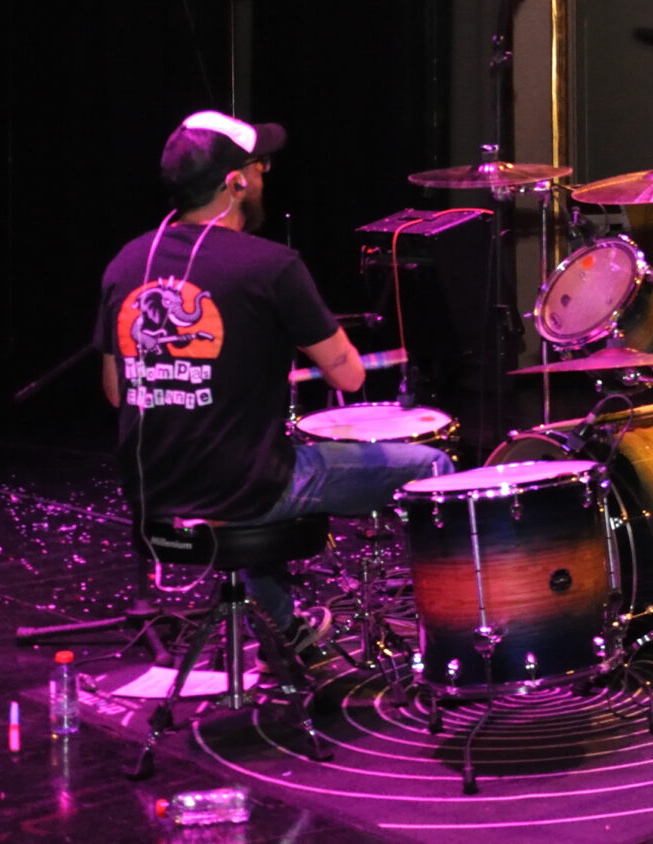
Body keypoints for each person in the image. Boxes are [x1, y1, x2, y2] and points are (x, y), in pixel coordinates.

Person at [97, 112, 452, 658]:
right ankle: (455, 638)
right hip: (246, 491)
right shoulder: (271, 266)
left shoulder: (126, 262)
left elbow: (116, 392)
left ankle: (288, 628)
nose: (265, 175)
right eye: (259, 166)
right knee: (431, 468)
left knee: (247, 471)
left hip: (154, 499)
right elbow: (349, 376)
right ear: (235, 181)